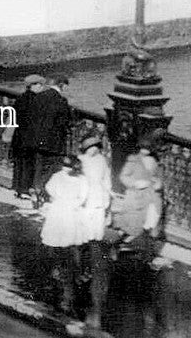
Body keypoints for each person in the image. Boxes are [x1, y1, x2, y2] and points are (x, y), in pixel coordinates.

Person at [9, 73, 71, 199]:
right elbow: (64, 122)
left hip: (32, 138)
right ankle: (39, 190)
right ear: (62, 85)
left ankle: (29, 189)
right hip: (51, 141)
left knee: (34, 165)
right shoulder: (61, 100)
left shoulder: (38, 97)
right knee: (50, 166)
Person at [40, 155, 88, 316]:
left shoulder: (71, 179)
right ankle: (67, 270)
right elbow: (51, 188)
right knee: (63, 242)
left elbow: (51, 189)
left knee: (62, 242)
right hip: (65, 212)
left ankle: (63, 270)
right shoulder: (68, 178)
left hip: (64, 212)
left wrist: (66, 202)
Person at [76, 133, 113, 330]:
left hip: (88, 202)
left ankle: (85, 268)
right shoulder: (102, 161)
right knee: (94, 239)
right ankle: (90, 266)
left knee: (84, 238)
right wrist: (107, 203)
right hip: (98, 203)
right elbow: (107, 183)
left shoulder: (84, 161)